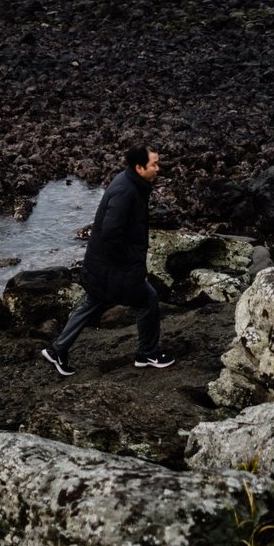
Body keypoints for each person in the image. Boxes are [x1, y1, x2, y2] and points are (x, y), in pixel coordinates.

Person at [41, 144, 175, 376]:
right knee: (148, 300)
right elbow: (111, 233)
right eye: (154, 164)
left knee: (93, 302)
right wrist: (130, 261)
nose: (158, 168)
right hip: (115, 268)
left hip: (105, 266)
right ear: (139, 167)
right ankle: (147, 354)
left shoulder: (131, 183)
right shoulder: (126, 191)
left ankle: (57, 350)